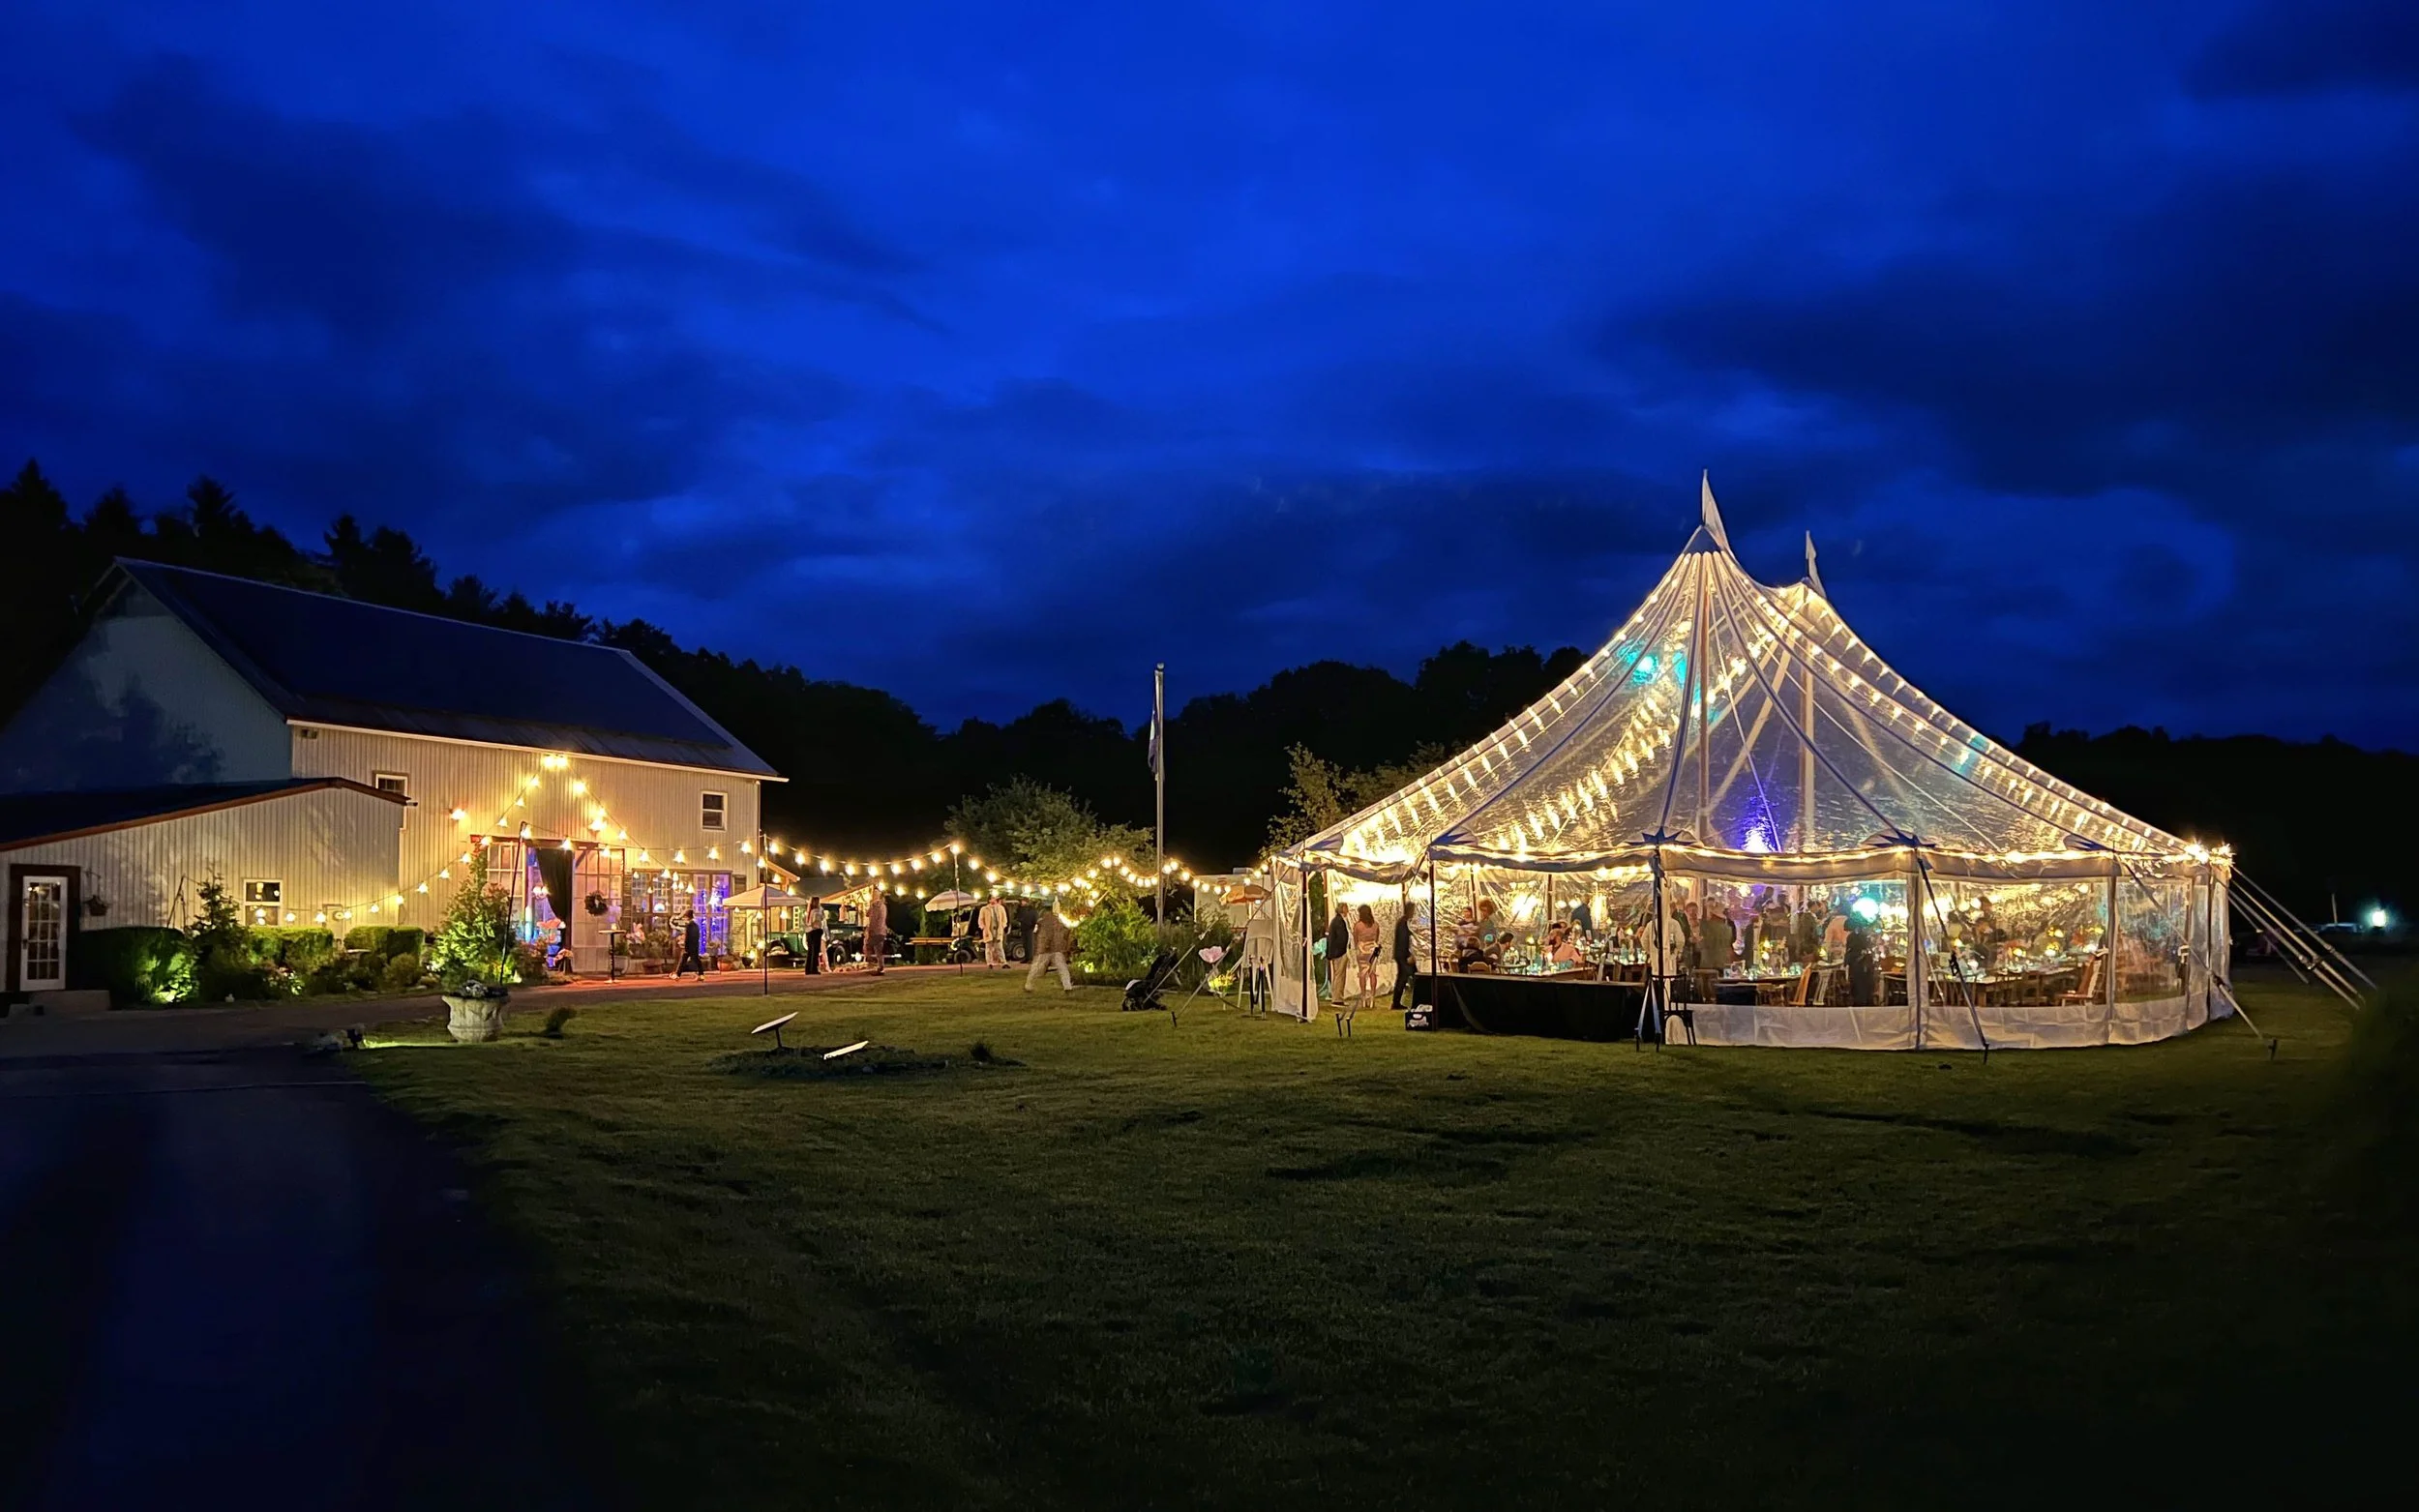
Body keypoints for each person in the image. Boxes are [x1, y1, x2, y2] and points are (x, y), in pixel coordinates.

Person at [1026, 907, 1075, 993]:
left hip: (1046, 949)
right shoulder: (1057, 921)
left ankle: (1029, 985)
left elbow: (1038, 934)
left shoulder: (1042, 922)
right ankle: (1067, 986)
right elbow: (1063, 932)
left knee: (1036, 968)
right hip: (1054, 948)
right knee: (1062, 968)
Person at [1389, 895, 1419, 1011]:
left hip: (1402, 955)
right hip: (1402, 956)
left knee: (1406, 977)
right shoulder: (1402, 923)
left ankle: (1397, 1002)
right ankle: (1397, 1002)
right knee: (1406, 977)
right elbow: (1402, 941)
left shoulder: (1404, 922)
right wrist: (1407, 956)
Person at [1350, 904, 1382, 1006]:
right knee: (1373, 973)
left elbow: (1355, 939)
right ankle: (1372, 997)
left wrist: (1358, 948)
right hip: (1373, 949)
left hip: (1362, 950)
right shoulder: (1375, 924)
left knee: (1362, 974)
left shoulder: (1358, 925)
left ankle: (1363, 997)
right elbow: (1376, 938)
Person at [1698, 901, 1736, 976]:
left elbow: (1701, 946)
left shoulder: (1706, 927)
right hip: (1724, 963)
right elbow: (1731, 943)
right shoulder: (1729, 929)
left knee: (1707, 986)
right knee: (1724, 984)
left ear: (1713, 915)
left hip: (1708, 965)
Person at [1324, 904, 1352, 1001]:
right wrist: (1344, 950)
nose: (1348, 910)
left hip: (1336, 952)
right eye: (1346, 908)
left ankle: (1338, 997)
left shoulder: (1336, 921)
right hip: (1339, 953)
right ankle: (1337, 999)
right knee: (1339, 976)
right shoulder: (1339, 921)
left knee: (1339, 975)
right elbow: (1341, 938)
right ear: (1342, 909)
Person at [979, 896, 1008, 968]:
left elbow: (1004, 918)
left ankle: (1003, 962)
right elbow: (981, 919)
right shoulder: (984, 909)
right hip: (988, 929)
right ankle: (989, 963)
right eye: (992, 898)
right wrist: (983, 927)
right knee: (989, 947)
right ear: (989, 900)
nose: (994, 899)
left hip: (998, 929)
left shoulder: (1000, 908)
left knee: (999, 946)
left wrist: (1003, 925)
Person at [865, 888, 888, 975]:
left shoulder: (875, 905)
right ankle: (880, 967)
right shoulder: (883, 906)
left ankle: (871, 963)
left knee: (867, 946)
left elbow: (872, 918)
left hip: (875, 930)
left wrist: (870, 929)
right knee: (878, 950)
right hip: (882, 931)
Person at [675, 911, 705, 979]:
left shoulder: (689, 925)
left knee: (683, 960)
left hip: (689, 947)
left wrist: (686, 947)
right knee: (696, 960)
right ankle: (701, 974)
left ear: (687, 917)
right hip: (695, 946)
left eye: (684, 917)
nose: (684, 919)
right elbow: (697, 936)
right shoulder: (696, 925)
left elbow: (688, 938)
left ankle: (677, 975)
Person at [1012, 899, 1039, 963]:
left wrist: (1034, 926)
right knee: (1024, 944)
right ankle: (1026, 957)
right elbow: (1017, 917)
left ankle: (1030, 958)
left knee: (1029, 944)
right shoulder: (1020, 909)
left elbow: (1035, 918)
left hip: (1030, 928)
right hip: (1023, 928)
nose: (1022, 903)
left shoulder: (1032, 910)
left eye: (1023, 901)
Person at [803, 896, 824, 974]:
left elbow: (807, 922)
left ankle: (808, 969)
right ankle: (813, 969)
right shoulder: (817, 911)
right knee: (815, 951)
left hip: (809, 931)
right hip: (815, 931)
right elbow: (818, 920)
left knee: (810, 951)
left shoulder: (809, 911)